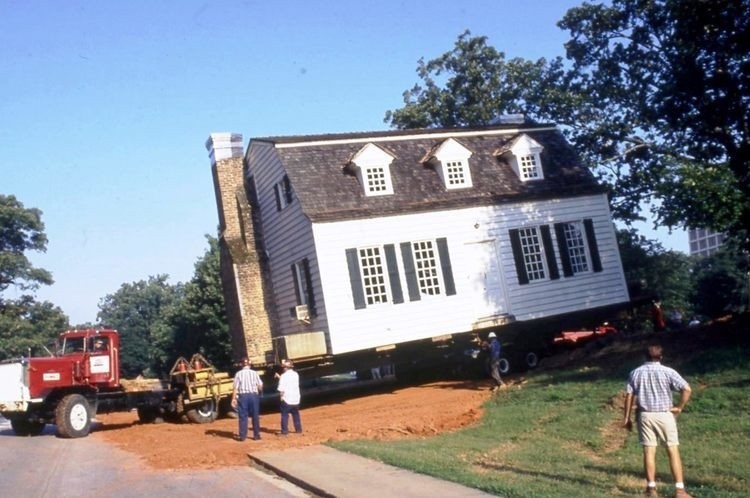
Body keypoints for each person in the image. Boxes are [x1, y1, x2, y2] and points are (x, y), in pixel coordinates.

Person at [623, 344, 693, 497]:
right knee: (672, 450)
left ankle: (651, 488)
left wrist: (627, 417)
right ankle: (680, 490)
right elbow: (687, 389)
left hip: (645, 415)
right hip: (664, 414)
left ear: (645, 357)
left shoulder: (635, 372)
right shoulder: (668, 371)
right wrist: (679, 407)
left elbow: (629, 395)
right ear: (661, 357)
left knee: (649, 451)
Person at [231, 357, 263, 441]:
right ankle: (256, 435)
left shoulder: (238, 374)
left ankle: (242, 436)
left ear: (241, 364)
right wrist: (260, 391)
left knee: (243, 416)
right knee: (255, 415)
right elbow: (260, 385)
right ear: (249, 364)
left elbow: (235, 388)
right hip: (253, 396)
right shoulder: (254, 373)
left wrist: (233, 399)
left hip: (243, 396)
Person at [276, 359, 302, 435]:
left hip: (287, 399)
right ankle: (298, 429)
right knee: (296, 414)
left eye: (284, 367)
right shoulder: (296, 374)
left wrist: (281, 397)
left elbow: (281, 389)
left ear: (285, 368)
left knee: (284, 415)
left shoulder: (284, 376)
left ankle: (284, 431)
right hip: (296, 398)